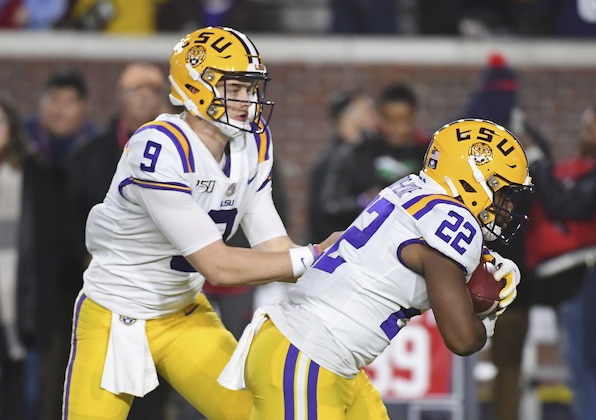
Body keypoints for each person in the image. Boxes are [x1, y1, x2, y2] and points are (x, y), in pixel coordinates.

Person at [61, 26, 338, 419]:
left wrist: (342, 261)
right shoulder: (158, 148)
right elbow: (218, 266)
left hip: (182, 313)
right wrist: (313, 257)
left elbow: (273, 245)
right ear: (197, 86)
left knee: (259, 413)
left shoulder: (253, 140)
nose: (248, 101)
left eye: (252, 89)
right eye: (237, 88)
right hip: (115, 313)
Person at [218, 118, 534, 419]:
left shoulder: (413, 190)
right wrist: (486, 316)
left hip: (318, 354)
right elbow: (462, 339)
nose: (507, 207)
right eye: (503, 193)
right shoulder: (453, 220)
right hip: (309, 354)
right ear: (472, 180)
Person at [62, 63, 175, 420]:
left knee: (152, 394)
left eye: (151, 90)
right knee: (102, 386)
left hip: (160, 290)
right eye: (135, 90)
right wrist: (86, 258)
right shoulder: (91, 153)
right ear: (119, 97)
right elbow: (71, 214)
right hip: (106, 286)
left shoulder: (181, 151)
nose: (143, 97)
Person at [462, 51, 548, 420]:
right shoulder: (521, 151)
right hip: (506, 269)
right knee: (503, 367)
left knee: (469, 362)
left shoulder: (463, 143)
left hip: (465, 266)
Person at [523, 105, 596, 420]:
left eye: (592, 127)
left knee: (589, 368)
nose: (584, 134)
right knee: (593, 368)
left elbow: (567, 206)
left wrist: (538, 163)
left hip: (591, 274)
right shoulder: (583, 169)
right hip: (571, 276)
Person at [0, 95, 60, 420]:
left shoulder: (32, 172)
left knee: (19, 396)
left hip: (17, 302)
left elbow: (45, 244)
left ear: (11, 128)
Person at [312, 83, 430, 240]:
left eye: (403, 120)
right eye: (389, 120)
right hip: (361, 244)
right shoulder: (359, 151)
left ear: (413, 118)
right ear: (379, 117)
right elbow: (330, 205)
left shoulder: (426, 156)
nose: (396, 128)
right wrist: (366, 200)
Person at [308, 89, 379, 243]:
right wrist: (365, 200)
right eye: (367, 110)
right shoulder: (338, 156)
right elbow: (329, 205)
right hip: (335, 247)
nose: (375, 116)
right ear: (349, 117)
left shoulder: (364, 150)